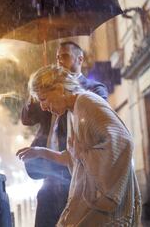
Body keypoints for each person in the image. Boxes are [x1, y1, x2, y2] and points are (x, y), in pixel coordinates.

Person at [17, 65, 141, 226]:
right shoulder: (74, 110)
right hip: (90, 199)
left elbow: (123, 141)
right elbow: (73, 157)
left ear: (60, 89)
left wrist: (82, 154)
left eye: (43, 98)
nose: (42, 107)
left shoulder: (86, 102)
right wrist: (40, 152)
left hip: (103, 202)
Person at [21, 41, 108, 227]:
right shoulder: (50, 93)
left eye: (65, 56)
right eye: (58, 57)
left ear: (80, 59)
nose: (60, 61)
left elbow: (104, 129)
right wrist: (37, 90)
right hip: (53, 172)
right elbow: (27, 119)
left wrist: (65, 86)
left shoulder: (88, 94)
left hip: (77, 176)